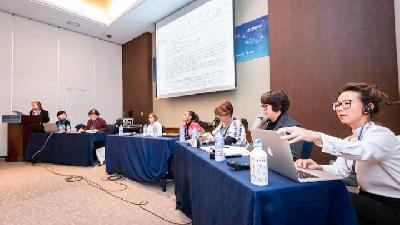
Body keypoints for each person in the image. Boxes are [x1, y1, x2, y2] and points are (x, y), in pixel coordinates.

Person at [277, 82, 400, 225]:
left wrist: (315, 136)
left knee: (336, 197)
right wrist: (319, 167)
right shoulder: (351, 140)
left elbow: (362, 151)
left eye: (347, 103)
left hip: (393, 206)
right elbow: (340, 171)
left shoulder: (382, 135)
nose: (340, 108)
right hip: (367, 200)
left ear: (368, 107)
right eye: (338, 104)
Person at [253, 90, 304, 160]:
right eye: (262, 106)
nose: (263, 110)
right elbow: (253, 148)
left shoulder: (293, 127)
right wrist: (255, 129)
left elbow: (292, 157)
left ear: (278, 106)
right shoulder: (264, 124)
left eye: (266, 106)